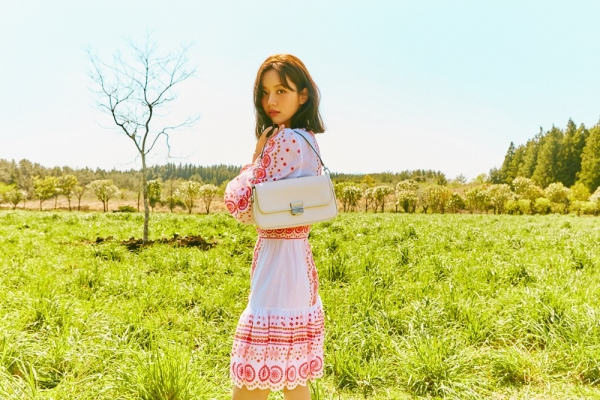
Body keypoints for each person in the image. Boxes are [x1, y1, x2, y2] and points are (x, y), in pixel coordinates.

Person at [224, 54, 326, 400]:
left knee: (253, 379)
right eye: (265, 92)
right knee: (293, 379)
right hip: (300, 261)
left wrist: (254, 159)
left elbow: (239, 204)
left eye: (282, 90)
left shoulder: (283, 141)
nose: (271, 101)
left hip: (277, 266)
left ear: (303, 95)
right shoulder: (309, 140)